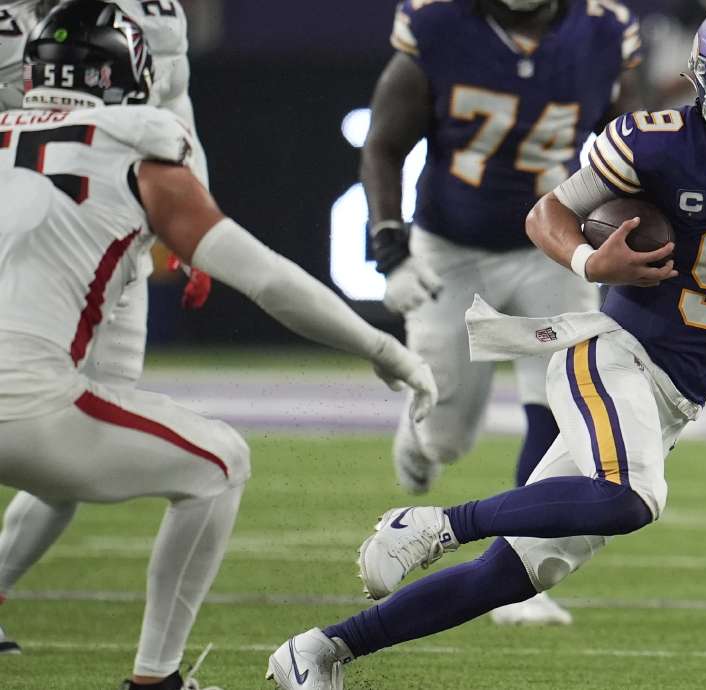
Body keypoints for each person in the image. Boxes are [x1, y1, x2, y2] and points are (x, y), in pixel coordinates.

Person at [266, 3, 706, 687]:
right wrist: (585, 263)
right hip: (617, 354)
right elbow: (550, 212)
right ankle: (431, 523)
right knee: (632, 496)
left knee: (509, 576)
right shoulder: (656, 141)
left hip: (676, 392)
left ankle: (319, 652)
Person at [0, 2, 437, 687]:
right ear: (127, 78)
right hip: (24, 408)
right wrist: (384, 351)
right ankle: (156, 678)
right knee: (219, 462)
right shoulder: (138, 152)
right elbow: (269, 280)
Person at [363, 0, 642, 625]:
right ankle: (420, 439)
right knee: (447, 437)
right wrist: (389, 247)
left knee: (563, 400)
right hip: (451, 247)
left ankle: (516, 576)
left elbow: (638, 146)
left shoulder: (602, 30)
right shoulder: (440, 24)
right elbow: (383, 144)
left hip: (553, 243)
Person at [0, 0, 212, 656]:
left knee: (80, 441)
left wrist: (193, 219)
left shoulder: (151, 14)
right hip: (13, 235)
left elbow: (172, 110)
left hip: (96, 240)